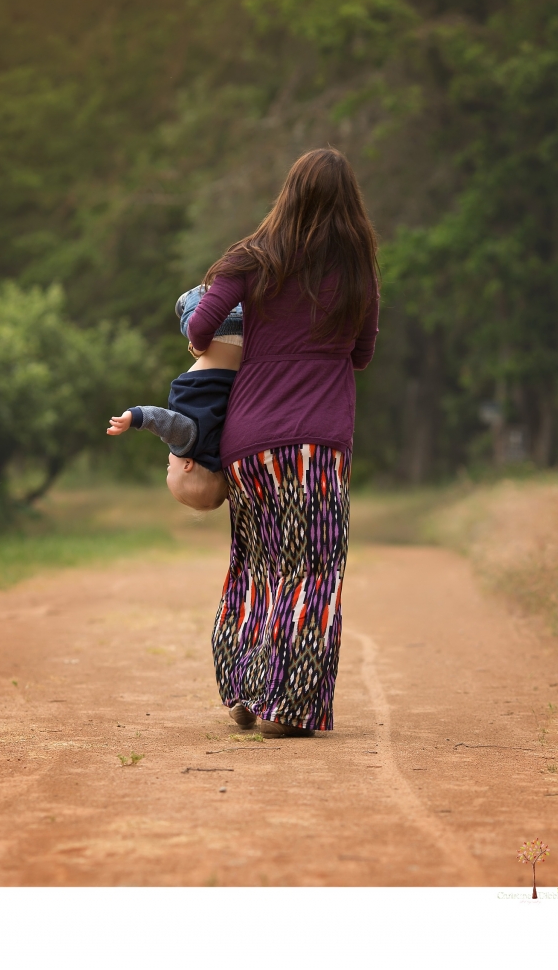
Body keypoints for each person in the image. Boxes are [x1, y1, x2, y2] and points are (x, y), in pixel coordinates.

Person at [187, 147, 379, 739]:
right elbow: (363, 354)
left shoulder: (252, 259)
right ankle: (288, 706)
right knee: (312, 572)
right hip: (317, 445)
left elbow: (199, 329)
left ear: (288, 194)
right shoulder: (357, 274)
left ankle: (246, 689)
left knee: (259, 564)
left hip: (250, 444)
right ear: (351, 205)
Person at [106, 288, 243, 511]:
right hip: (218, 329)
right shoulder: (188, 442)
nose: (169, 461)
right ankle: (199, 293)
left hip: (242, 339)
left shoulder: (222, 444)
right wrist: (135, 417)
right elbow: (165, 422)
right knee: (185, 314)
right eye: (170, 467)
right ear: (187, 464)